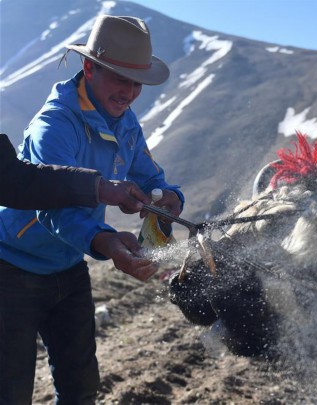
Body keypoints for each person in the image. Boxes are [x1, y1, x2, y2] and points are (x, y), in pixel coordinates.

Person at [0, 15, 184, 403]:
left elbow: (146, 170)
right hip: (13, 271)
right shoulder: (54, 127)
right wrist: (106, 243)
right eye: (121, 78)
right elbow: (52, 208)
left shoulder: (123, 119)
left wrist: (167, 195)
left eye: (137, 82)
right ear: (89, 68)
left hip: (69, 269)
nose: (130, 92)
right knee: (11, 391)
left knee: (81, 387)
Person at [0, 132, 151, 211]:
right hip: (19, 255)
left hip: (65, 258)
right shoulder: (55, 125)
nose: (128, 92)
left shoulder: (127, 121)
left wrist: (98, 187)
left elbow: (12, 177)